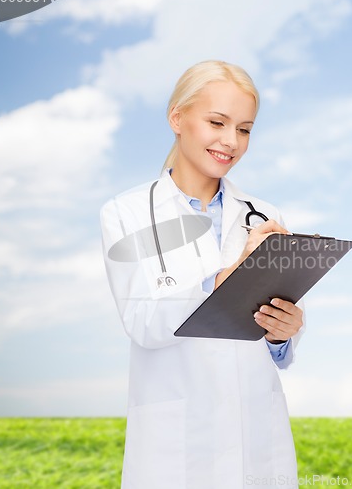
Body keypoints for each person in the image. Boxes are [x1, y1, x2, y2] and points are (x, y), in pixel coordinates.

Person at [100, 60, 306, 489]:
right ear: (177, 117)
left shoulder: (264, 216)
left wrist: (282, 333)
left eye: (245, 129)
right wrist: (226, 279)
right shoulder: (127, 214)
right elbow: (143, 323)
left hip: (256, 440)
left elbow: (277, 340)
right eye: (217, 122)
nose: (231, 141)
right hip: (177, 449)